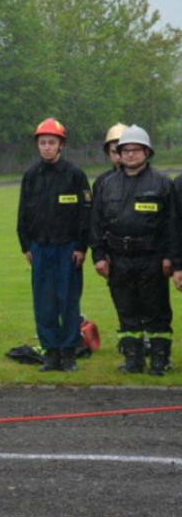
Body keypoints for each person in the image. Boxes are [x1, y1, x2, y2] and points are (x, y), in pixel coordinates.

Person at [92, 126, 173, 375]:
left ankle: (160, 359)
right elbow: (96, 223)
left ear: (146, 152)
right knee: (127, 311)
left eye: (135, 150)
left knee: (156, 311)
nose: (129, 155)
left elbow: (172, 225)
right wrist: (99, 255)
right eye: (124, 151)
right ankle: (133, 359)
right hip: (119, 259)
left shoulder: (162, 184)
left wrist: (171, 257)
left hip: (152, 258)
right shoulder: (107, 185)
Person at [17, 118, 92, 372]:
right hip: (40, 248)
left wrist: (81, 247)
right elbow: (22, 214)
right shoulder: (30, 176)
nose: (47, 147)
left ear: (61, 144)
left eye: (52, 142)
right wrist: (26, 245)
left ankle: (69, 353)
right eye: (43, 142)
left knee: (69, 302)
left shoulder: (75, 176)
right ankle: (50, 353)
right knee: (44, 302)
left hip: (68, 249)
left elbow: (85, 214)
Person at [92, 123, 128, 197]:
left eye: (122, 151)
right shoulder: (101, 182)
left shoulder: (151, 181)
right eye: (114, 152)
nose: (118, 157)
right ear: (108, 152)